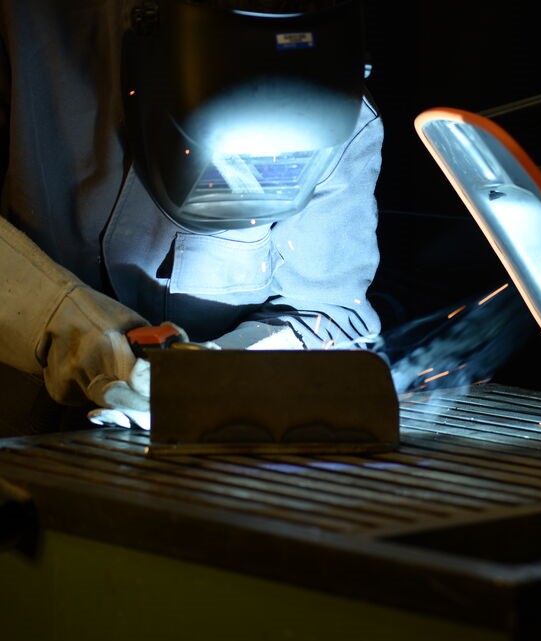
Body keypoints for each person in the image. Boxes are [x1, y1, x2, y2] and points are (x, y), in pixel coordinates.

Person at [0, 0, 384, 433]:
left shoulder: (337, 113)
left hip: (201, 446)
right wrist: (73, 332)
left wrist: (216, 370)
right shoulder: (30, 27)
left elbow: (329, 317)